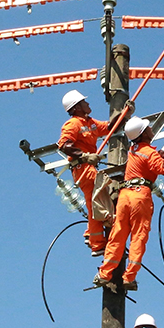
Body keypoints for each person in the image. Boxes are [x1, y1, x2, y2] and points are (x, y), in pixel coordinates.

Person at [93, 116, 164, 291]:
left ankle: (104, 274)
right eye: (147, 128)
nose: (151, 129)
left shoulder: (134, 151)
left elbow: (155, 158)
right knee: (138, 236)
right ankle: (129, 277)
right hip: (140, 196)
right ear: (143, 134)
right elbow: (163, 168)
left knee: (117, 235)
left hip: (125, 196)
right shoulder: (148, 152)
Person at [58, 90, 111, 255]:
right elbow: (64, 145)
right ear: (77, 107)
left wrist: (125, 113)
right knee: (98, 203)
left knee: (96, 203)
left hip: (89, 168)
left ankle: (91, 234)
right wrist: (85, 156)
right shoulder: (73, 124)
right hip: (83, 168)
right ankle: (96, 242)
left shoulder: (90, 123)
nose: (88, 104)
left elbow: (109, 126)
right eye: (84, 102)